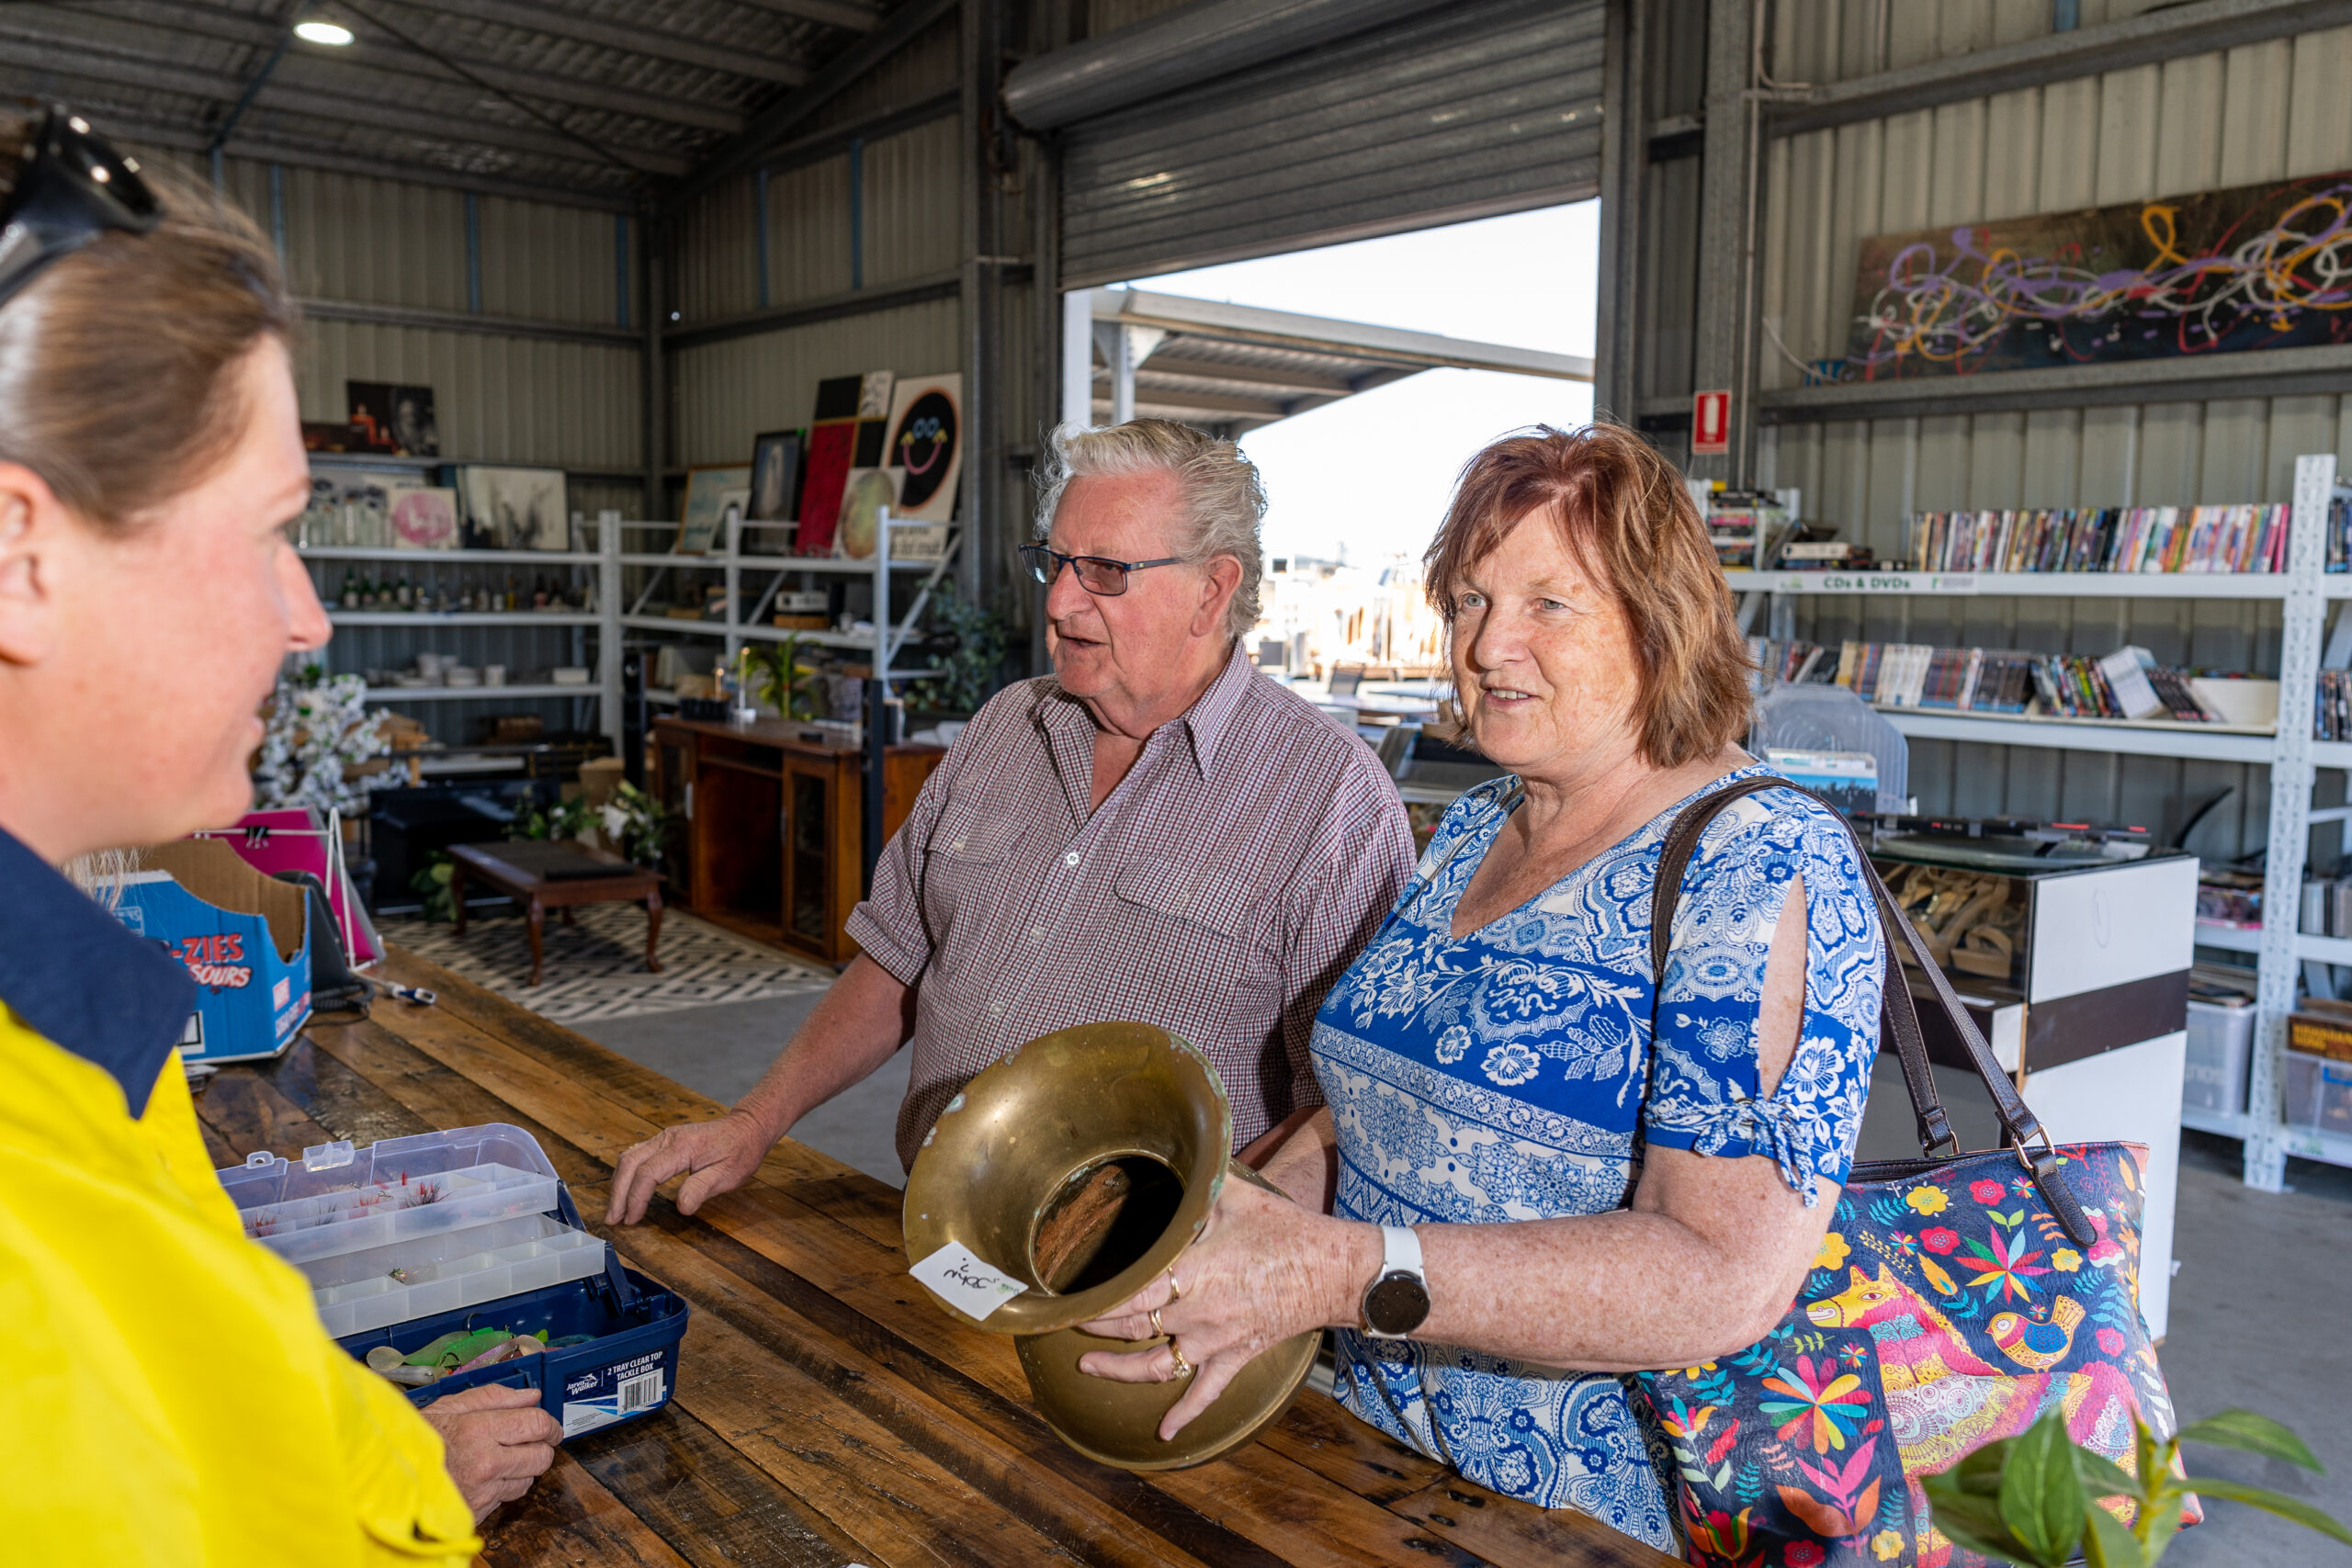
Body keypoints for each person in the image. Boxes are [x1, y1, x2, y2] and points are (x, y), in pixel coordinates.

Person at [1068, 424, 1886, 1554]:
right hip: (1360, 1457)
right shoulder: (1476, 827)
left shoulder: (1759, 864)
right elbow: (1366, 1108)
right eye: (1466, 602)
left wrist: (1336, 1274)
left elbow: (1717, 1277)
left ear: (1662, 620)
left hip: (1574, 1515)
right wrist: (1224, 1222)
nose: (1490, 646)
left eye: (1550, 604)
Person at [0, 107, 560, 1562]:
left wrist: (387, 1464)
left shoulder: (67, 1026)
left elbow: (204, 1390)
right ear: (18, 553)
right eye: (269, 530)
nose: (305, 613)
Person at [608, 419, 1417, 1222]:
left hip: (1148, 1314)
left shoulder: (1331, 803)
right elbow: (896, 957)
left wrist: (1199, 1269)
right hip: (938, 1243)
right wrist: (757, 1121)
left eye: (1104, 571)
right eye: (1056, 563)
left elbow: (1339, 1113)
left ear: (1211, 590)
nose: (1061, 603)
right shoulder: (1005, 727)